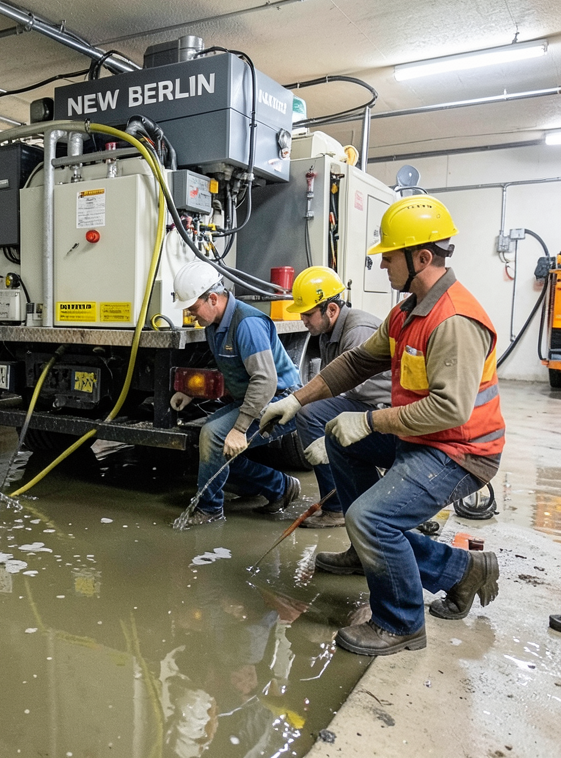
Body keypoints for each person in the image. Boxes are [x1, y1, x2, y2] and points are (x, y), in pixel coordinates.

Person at [260, 195, 504, 656]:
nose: (383, 266)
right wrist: (295, 399)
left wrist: (371, 420)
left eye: (389, 258)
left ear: (422, 258)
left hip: (461, 451)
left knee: (371, 517)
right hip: (424, 438)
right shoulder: (406, 311)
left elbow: (451, 409)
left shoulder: (453, 319)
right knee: (339, 442)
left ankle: (400, 622)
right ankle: (448, 568)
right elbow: (355, 364)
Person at [170, 261, 302, 525]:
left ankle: (209, 510)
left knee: (215, 436)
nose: (191, 315)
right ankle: (280, 486)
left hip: (282, 402)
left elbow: (265, 381)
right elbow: (232, 369)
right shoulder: (214, 325)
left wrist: (239, 428)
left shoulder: (247, 324)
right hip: (258, 397)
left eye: (193, 308)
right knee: (213, 445)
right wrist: (191, 393)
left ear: (213, 299)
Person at [283, 266, 391, 528]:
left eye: (307, 314)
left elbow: (349, 387)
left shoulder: (357, 331)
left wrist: (306, 406)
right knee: (311, 411)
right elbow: (328, 381)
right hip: (361, 400)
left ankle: (336, 508)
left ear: (331, 310)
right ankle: (341, 499)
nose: (303, 319)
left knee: (311, 416)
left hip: (381, 407)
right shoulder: (327, 332)